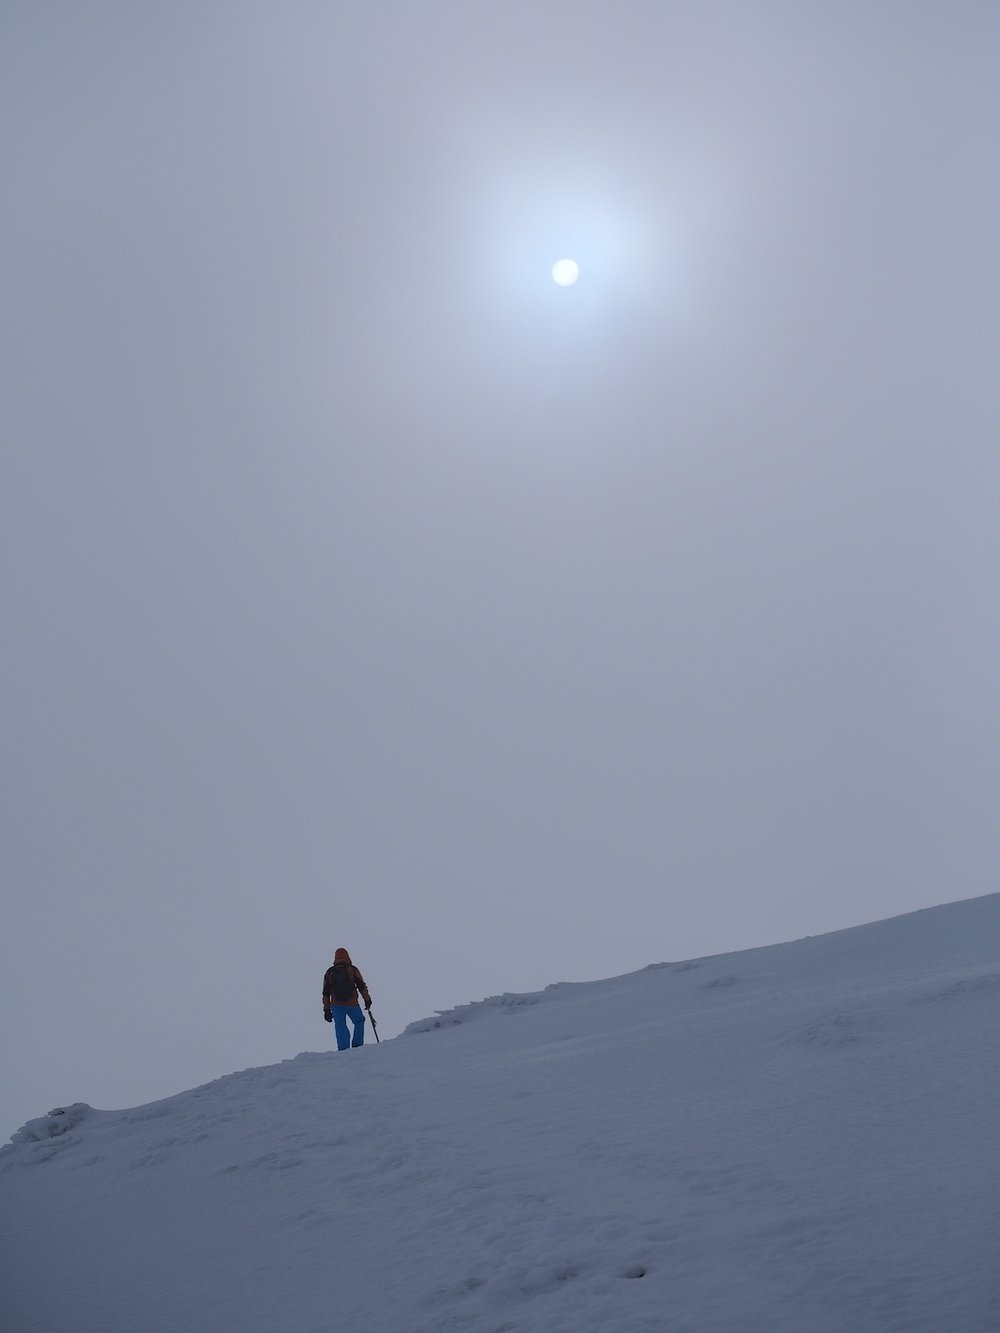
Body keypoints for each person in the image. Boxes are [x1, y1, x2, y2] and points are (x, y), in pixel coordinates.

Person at [323, 947, 373, 1050]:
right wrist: (367, 1000)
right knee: (359, 1021)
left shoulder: (329, 972)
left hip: (336, 1005)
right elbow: (362, 987)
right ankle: (357, 1046)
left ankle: (343, 1048)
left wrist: (327, 1010)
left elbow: (326, 993)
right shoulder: (352, 969)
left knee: (340, 1025)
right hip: (352, 1003)